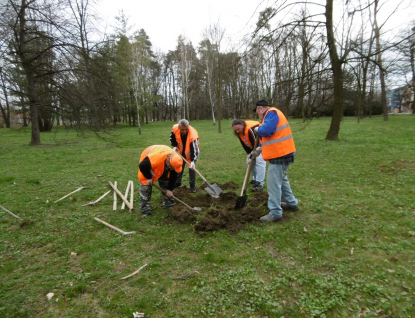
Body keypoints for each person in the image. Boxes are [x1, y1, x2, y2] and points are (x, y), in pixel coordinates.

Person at [252, 99, 299, 223]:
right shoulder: (272, 115)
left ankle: (275, 213)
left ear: (261, 108)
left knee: (273, 184)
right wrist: (259, 149)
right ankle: (291, 203)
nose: (258, 114)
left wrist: (258, 129)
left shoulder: (271, 113)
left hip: (280, 155)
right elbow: (272, 137)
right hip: (283, 153)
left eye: (257, 111)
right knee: (282, 180)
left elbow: (267, 131)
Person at [138, 145, 183, 215]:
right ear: (168, 164)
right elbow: (142, 166)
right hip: (147, 163)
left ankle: (168, 203)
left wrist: (169, 189)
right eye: (173, 168)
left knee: (165, 183)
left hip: (162, 162)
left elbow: (173, 176)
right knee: (146, 186)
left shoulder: (175, 160)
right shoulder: (154, 160)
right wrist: (149, 178)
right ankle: (145, 208)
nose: (174, 169)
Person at [231, 119, 266, 191]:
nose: (237, 131)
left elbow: (255, 143)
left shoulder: (250, 129)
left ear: (242, 125)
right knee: (249, 162)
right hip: (254, 148)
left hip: (263, 145)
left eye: (238, 129)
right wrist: (249, 155)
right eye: (235, 130)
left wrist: (253, 155)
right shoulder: (239, 131)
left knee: (259, 161)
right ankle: (255, 178)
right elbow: (244, 144)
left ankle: (259, 183)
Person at [169, 119, 200, 193]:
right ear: (179, 128)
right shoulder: (175, 128)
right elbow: (172, 137)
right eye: (182, 129)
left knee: (192, 169)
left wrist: (193, 161)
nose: (184, 131)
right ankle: (178, 183)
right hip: (180, 151)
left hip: (191, 154)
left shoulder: (193, 135)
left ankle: (192, 187)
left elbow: (195, 150)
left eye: (186, 129)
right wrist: (175, 146)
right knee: (179, 166)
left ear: (188, 127)